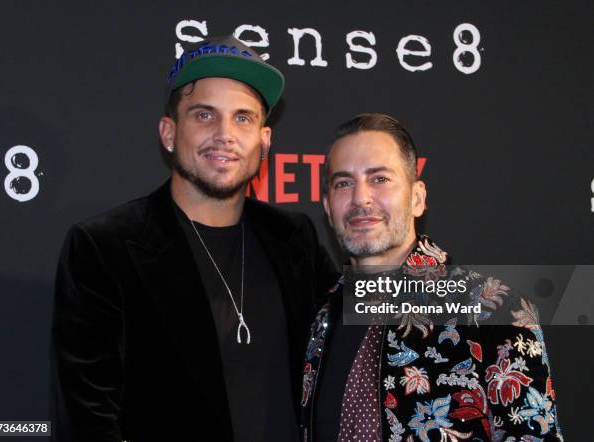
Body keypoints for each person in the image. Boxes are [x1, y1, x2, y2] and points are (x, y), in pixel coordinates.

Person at [52, 35, 336, 442]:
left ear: (265, 140)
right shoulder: (104, 247)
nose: (225, 134)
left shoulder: (293, 238)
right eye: (205, 116)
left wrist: (446, 284)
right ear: (169, 133)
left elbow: (367, 322)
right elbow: (86, 420)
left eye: (243, 118)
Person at [300, 113, 562, 441]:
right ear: (327, 207)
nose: (360, 198)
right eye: (343, 183)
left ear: (418, 198)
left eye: (379, 179)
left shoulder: (495, 310)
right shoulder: (319, 320)